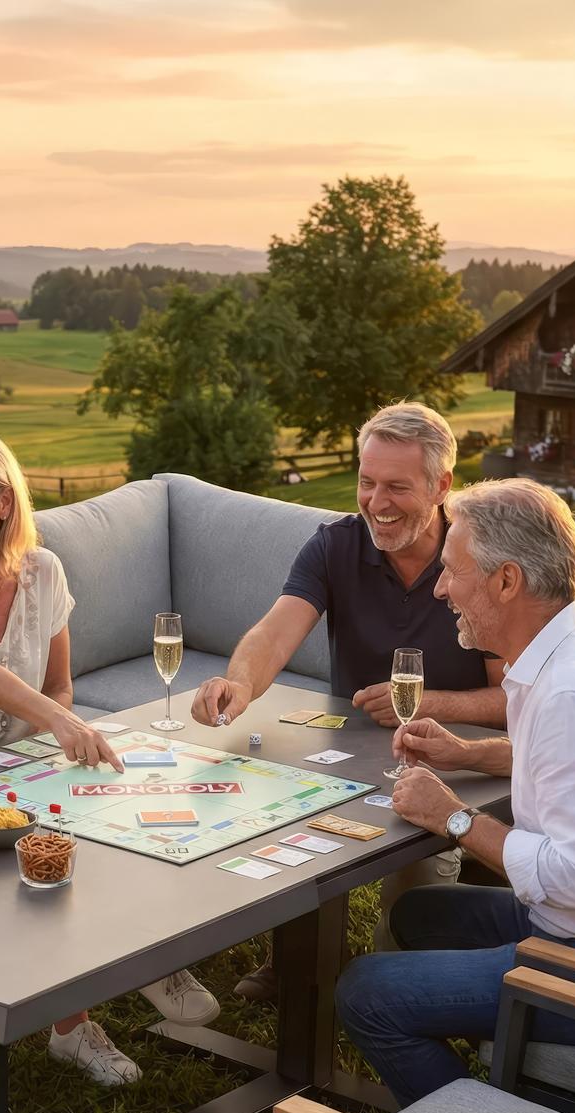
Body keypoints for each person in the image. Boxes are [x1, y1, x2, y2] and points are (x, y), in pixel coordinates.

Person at [334, 478, 575, 1108]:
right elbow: (573, 764)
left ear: (507, 581)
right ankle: (494, 1057)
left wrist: (456, 818)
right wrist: (468, 753)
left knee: (365, 990)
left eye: (453, 572)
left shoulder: (573, 691)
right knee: (418, 914)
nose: (440, 589)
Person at [0, 427, 221, 1086]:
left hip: (17, 767)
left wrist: (45, 749)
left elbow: (58, 684)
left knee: (116, 820)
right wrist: (63, 726)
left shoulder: (44, 569)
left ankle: (145, 955)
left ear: (4, 501)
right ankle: (75, 1028)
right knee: (45, 856)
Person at [189, 402, 506, 999]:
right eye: (366, 482)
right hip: (348, 749)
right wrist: (239, 683)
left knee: (411, 902)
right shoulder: (334, 545)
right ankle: (299, 961)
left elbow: (515, 701)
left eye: (396, 487)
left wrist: (430, 704)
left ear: (441, 487)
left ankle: (399, 989)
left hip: (454, 760)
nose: (376, 502)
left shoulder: (479, 560)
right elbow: (274, 632)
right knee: (274, 794)